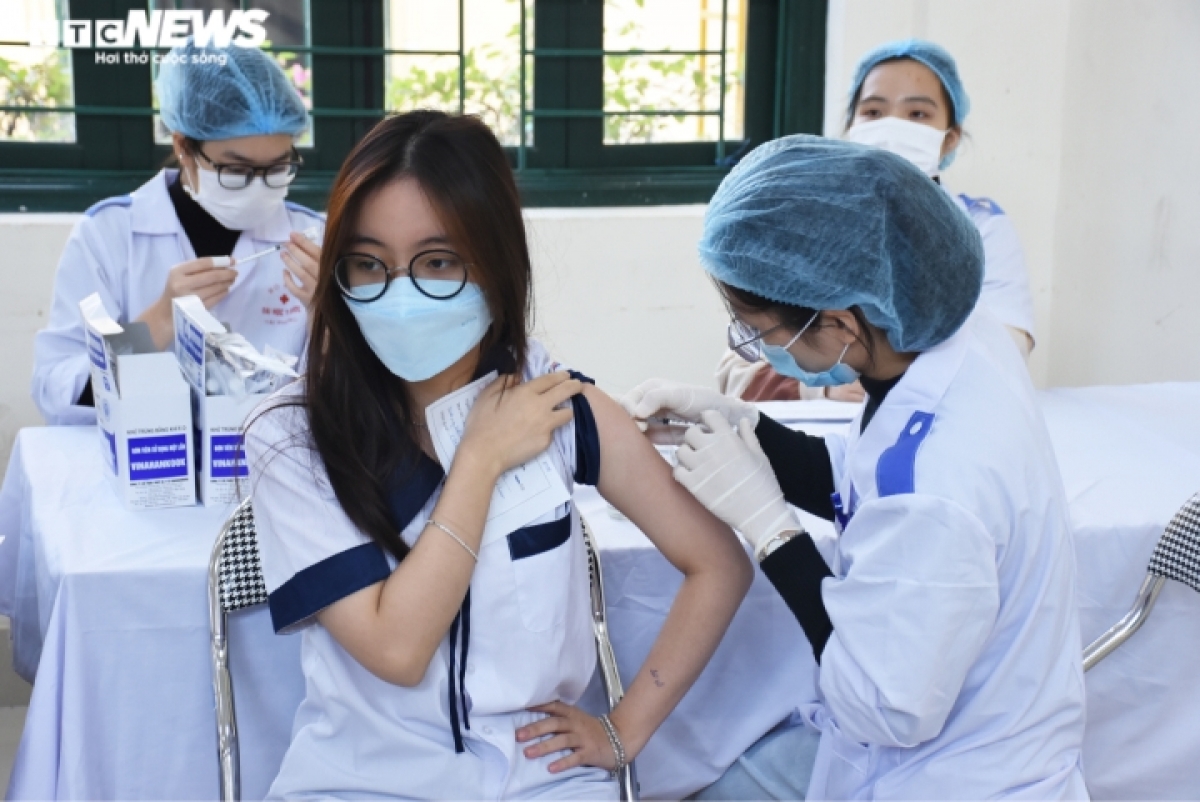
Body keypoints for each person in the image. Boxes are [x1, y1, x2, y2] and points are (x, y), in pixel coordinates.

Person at [245, 111, 753, 800]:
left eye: (438, 262)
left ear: (495, 263)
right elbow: (397, 649)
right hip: (362, 781)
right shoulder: (291, 436)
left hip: (539, 782)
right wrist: (479, 462)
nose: (401, 293)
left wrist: (622, 731)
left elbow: (718, 564)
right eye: (369, 265)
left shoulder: (560, 406)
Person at [625, 136, 1086, 799]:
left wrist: (770, 529)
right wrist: (745, 426)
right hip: (965, 723)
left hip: (954, 776)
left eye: (760, 332)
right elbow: (870, 472)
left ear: (840, 325)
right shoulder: (952, 337)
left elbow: (880, 705)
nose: (756, 350)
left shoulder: (939, 486)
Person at [717, 38, 1035, 404]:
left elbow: (1009, 351)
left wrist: (894, 375)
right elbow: (740, 366)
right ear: (851, 128)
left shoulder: (983, 228)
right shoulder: (804, 226)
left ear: (949, 139)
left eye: (918, 114)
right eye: (873, 111)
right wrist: (820, 386)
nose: (892, 126)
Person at [31, 40, 323, 425]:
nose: (258, 186)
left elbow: (352, 394)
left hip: (267, 451)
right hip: (144, 451)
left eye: (277, 168)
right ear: (183, 146)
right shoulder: (109, 234)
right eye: (236, 170)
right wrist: (160, 321)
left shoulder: (313, 238)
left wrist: (327, 317)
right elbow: (56, 388)